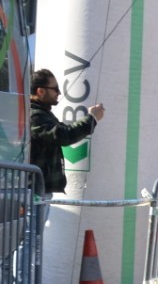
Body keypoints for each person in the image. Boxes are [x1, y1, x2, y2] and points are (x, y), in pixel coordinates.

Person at [30, 68, 104, 198]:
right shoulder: (34, 115)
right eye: (55, 88)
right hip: (35, 189)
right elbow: (63, 135)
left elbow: (62, 131)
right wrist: (91, 119)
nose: (59, 92)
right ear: (40, 91)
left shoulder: (42, 113)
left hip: (40, 188)